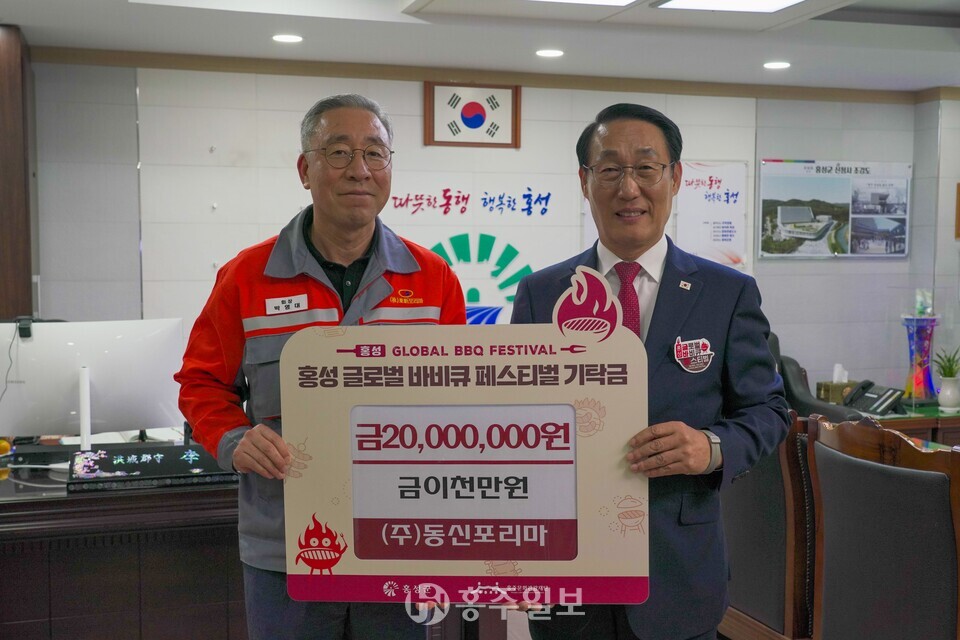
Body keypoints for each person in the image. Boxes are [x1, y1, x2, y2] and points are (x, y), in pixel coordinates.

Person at [175, 94, 466, 640]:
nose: (359, 170)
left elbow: (459, 401)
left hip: (400, 541)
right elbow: (201, 384)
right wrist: (234, 438)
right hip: (286, 545)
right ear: (305, 170)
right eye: (338, 152)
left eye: (374, 153)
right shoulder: (246, 277)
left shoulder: (434, 279)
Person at [511, 103, 790, 640]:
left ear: (675, 177)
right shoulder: (541, 294)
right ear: (584, 182)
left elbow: (768, 410)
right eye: (610, 170)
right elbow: (516, 419)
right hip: (568, 566)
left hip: (679, 568)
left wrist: (710, 447)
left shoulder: (727, 293)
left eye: (646, 167)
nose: (629, 188)